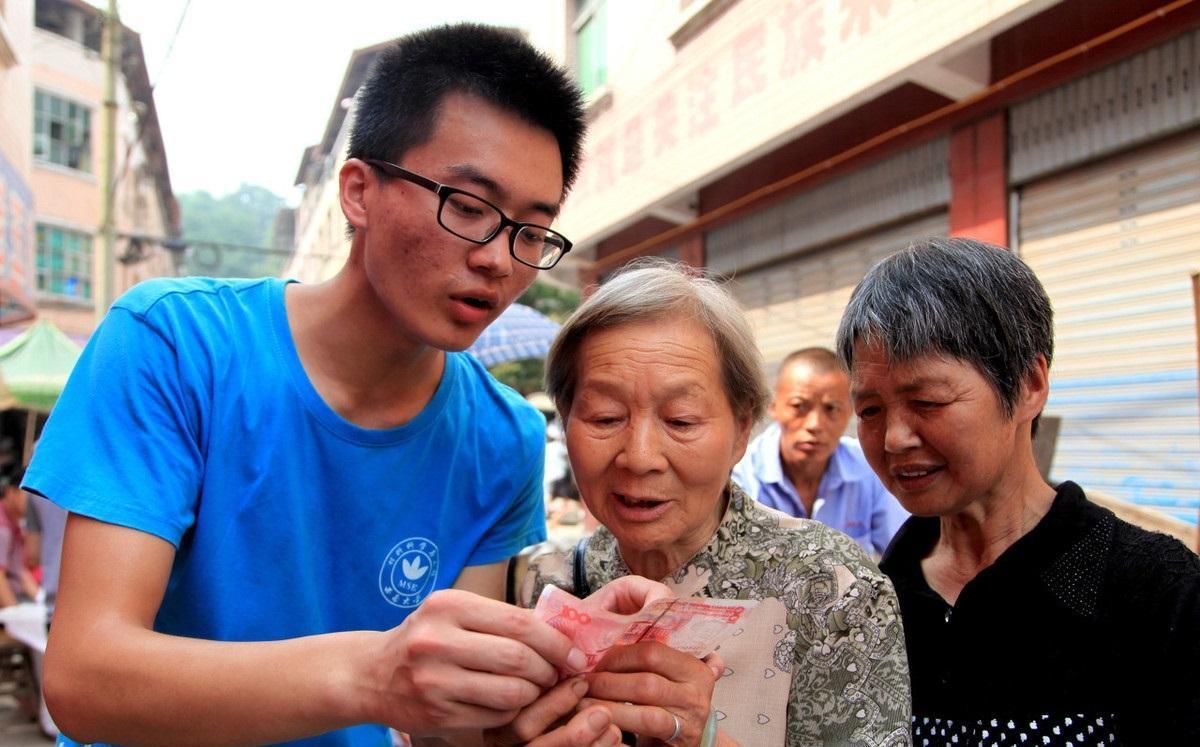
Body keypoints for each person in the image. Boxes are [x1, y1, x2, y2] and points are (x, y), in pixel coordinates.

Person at [22, 23, 645, 747]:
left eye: (531, 232)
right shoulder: (175, 345)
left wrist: (539, 711)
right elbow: (84, 677)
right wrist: (372, 673)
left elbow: (445, 726)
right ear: (358, 191)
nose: (499, 260)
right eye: (469, 208)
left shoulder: (501, 436)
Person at [512, 259, 911, 746]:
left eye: (680, 421)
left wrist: (704, 738)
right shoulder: (550, 585)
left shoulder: (833, 589)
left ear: (742, 429)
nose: (639, 458)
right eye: (604, 416)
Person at [835, 236, 1200, 745]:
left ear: (1029, 384)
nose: (895, 438)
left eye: (928, 401)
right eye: (870, 411)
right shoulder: (875, 601)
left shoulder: (1155, 590)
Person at [733, 347, 907, 556]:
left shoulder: (869, 469)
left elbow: (904, 554)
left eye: (831, 408)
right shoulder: (740, 480)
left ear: (851, 412)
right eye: (799, 406)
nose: (814, 424)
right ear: (774, 407)